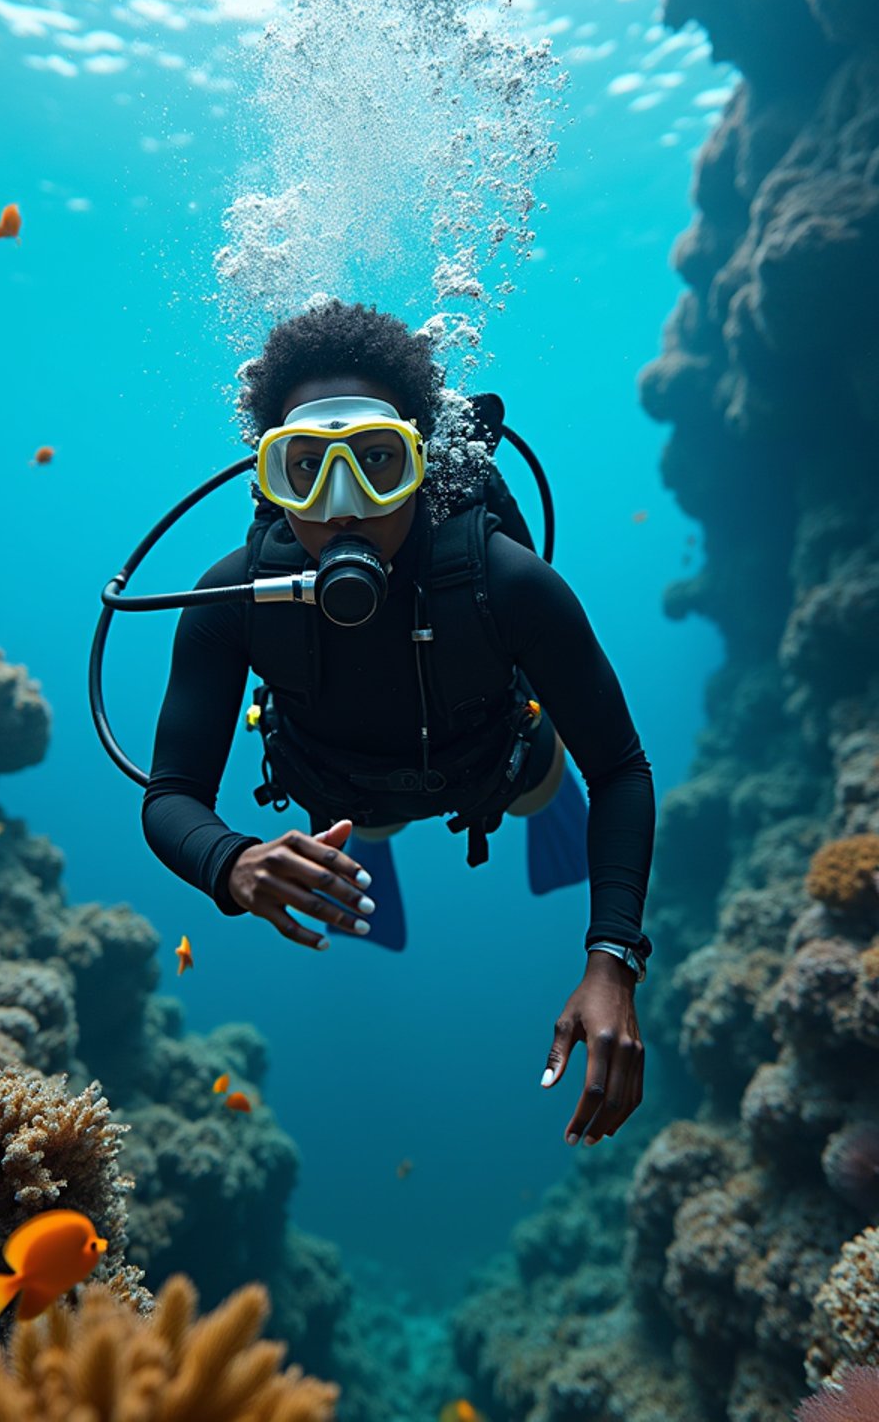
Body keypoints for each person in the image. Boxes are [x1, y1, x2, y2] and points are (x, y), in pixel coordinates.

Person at [143, 300, 655, 1148]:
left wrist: (612, 959)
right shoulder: (231, 598)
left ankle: (515, 810)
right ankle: (362, 848)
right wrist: (232, 864)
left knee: (540, 785)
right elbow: (170, 798)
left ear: (422, 462)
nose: (343, 507)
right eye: (305, 468)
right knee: (362, 820)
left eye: (377, 463)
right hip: (337, 784)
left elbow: (622, 768)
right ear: (268, 478)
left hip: (498, 762)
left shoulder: (508, 581)